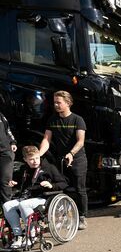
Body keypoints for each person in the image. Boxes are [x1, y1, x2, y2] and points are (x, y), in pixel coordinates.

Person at [38, 90, 88, 230]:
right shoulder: (52, 120)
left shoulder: (78, 119)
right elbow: (46, 139)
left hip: (77, 159)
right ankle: (64, 216)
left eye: (58, 102)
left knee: (79, 189)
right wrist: (39, 155)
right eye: (54, 102)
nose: (56, 105)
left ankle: (82, 217)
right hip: (61, 160)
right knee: (62, 188)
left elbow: (80, 141)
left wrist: (71, 153)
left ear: (68, 103)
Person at [3, 146, 67, 249]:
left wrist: (51, 185)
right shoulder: (24, 169)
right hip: (27, 197)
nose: (35, 161)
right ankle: (18, 235)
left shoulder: (49, 167)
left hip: (43, 197)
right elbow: (22, 184)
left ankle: (31, 234)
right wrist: (14, 183)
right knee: (7, 205)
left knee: (23, 204)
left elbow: (64, 183)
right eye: (31, 159)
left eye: (37, 158)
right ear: (25, 160)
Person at [0, 111, 17, 204]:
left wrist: (12, 142)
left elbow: (8, 130)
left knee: (5, 181)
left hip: (5, 152)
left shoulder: (1, 115)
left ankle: (7, 210)